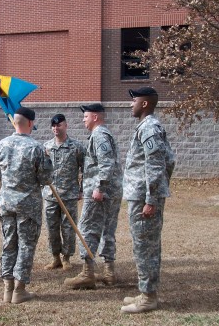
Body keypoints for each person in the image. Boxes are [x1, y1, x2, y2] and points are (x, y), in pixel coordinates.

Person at [121, 87, 175, 314]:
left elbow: (155, 165)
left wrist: (151, 198)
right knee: (145, 245)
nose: (130, 103)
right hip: (141, 195)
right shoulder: (147, 127)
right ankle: (146, 291)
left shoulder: (150, 128)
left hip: (144, 198)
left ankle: (148, 297)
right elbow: (170, 161)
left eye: (134, 100)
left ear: (145, 104)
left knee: (145, 248)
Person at [0, 107, 53, 304]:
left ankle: (7, 289)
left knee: (9, 243)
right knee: (26, 246)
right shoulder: (36, 148)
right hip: (28, 205)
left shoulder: (1, 145)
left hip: (6, 203)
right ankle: (19, 290)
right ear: (31, 123)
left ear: (14, 123)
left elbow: (0, 165)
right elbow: (45, 178)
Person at [64, 103, 123, 290]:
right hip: (110, 191)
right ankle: (109, 273)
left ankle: (87, 273)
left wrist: (99, 187)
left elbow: (106, 164)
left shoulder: (99, 135)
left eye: (86, 116)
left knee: (87, 228)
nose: (83, 119)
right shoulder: (103, 135)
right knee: (107, 230)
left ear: (96, 117)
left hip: (101, 193)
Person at [42, 113, 85, 271]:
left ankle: (66, 257)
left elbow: (85, 169)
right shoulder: (46, 147)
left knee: (68, 228)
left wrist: (82, 190)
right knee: (52, 227)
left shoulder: (76, 147)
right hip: (50, 195)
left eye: (59, 125)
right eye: (53, 126)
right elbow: (41, 170)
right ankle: (55, 257)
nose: (55, 128)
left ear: (66, 126)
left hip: (69, 194)